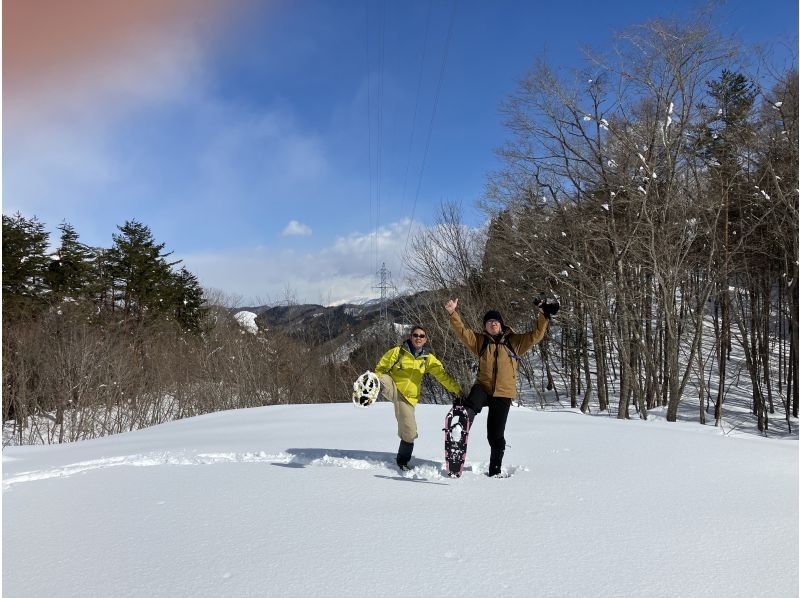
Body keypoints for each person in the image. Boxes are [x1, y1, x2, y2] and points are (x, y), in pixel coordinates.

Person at [444, 297, 559, 477]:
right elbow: (462, 332)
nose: (493, 324)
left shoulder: (514, 342)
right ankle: (460, 427)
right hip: (483, 387)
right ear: (485, 326)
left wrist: (543, 316)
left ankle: (495, 470)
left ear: (501, 324)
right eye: (489, 322)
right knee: (469, 406)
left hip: (503, 393)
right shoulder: (480, 341)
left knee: (495, 436)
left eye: (495, 321)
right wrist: (453, 313)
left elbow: (536, 335)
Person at [374, 325, 463, 470]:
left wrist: (457, 390)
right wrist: (376, 378)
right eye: (415, 335)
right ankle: (369, 391)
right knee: (380, 379)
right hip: (393, 387)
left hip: (408, 398)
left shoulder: (427, 359)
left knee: (409, 432)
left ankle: (402, 460)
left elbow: (442, 375)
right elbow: (381, 368)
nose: (418, 338)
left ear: (425, 340)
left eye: (422, 336)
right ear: (410, 337)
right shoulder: (398, 352)